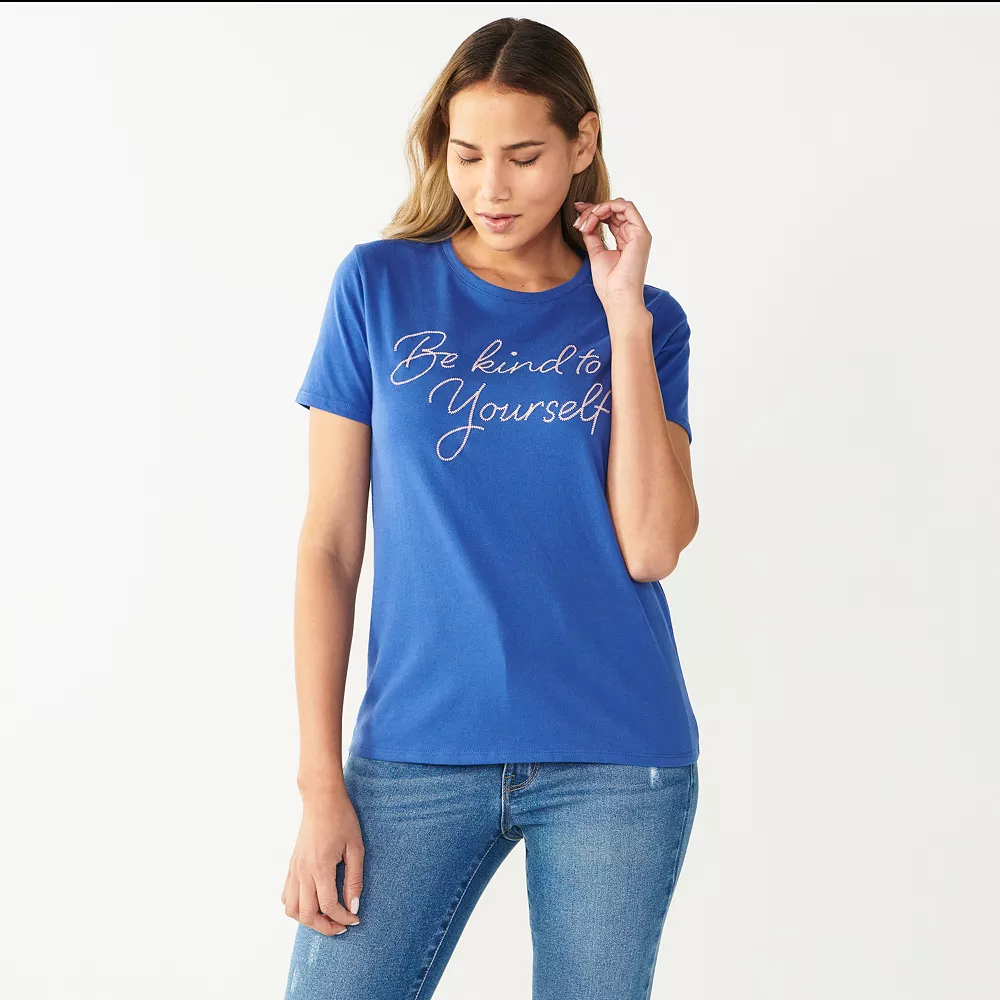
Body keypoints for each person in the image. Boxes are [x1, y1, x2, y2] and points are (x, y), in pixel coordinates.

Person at [281, 17, 701, 1000]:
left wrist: (623, 317)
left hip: (613, 752)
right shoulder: (378, 287)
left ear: (582, 144)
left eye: (523, 156)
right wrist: (319, 782)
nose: (491, 187)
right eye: (466, 155)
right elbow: (329, 546)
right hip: (415, 749)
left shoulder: (647, 320)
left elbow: (650, 546)